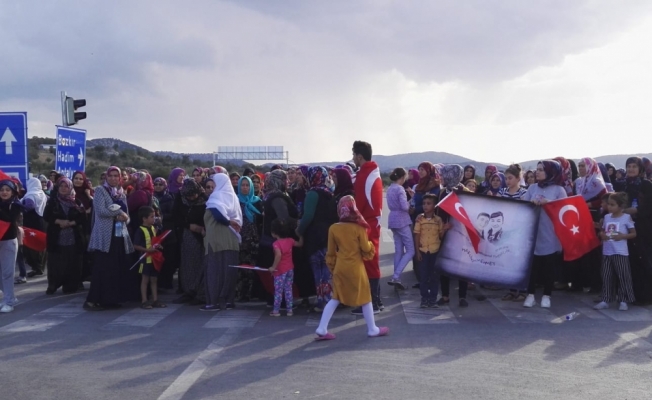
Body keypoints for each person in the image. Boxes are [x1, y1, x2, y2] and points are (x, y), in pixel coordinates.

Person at [314, 195, 389, 340]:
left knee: (336, 297)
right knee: (365, 297)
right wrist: (371, 246)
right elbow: (366, 249)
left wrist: (333, 267)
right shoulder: (359, 227)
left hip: (340, 266)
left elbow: (330, 252)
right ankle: (372, 328)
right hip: (356, 267)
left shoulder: (334, 228)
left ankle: (322, 328)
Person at [85, 166, 137, 311]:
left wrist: (124, 218)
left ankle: (111, 299)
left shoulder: (121, 193)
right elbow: (101, 211)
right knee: (102, 268)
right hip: (105, 235)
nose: (113, 178)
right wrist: (118, 214)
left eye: (116, 176)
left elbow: (127, 216)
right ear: (106, 177)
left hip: (119, 235)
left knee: (115, 268)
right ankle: (93, 300)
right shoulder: (101, 191)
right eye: (111, 176)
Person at [522, 160, 567, 308]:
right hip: (535, 231)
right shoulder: (532, 187)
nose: (537, 172)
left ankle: (547, 295)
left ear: (551, 172)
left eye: (541, 169)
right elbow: (523, 205)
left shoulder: (559, 190)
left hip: (550, 233)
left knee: (549, 266)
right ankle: (530, 295)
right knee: (533, 266)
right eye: (537, 169)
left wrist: (550, 203)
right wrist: (531, 202)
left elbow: (565, 210)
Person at [351, 141, 384, 314]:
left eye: (354, 155)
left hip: (366, 224)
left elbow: (359, 204)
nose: (353, 159)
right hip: (373, 222)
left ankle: (372, 304)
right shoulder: (372, 172)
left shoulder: (363, 175)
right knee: (372, 261)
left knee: (368, 262)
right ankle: (375, 301)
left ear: (359, 156)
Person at [202, 173, 242, 311]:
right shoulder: (233, 197)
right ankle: (228, 301)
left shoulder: (216, 196)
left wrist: (228, 221)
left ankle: (213, 303)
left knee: (214, 271)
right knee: (229, 271)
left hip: (217, 240)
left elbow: (218, 215)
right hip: (232, 239)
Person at [296, 166, 333, 312]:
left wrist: (299, 231)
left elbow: (308, 216)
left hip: (315, 237)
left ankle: (320, 302)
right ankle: (328, 300)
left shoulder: (312, 193)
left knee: (317, 271)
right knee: (327, 270)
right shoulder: (329, 192)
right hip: (328, 236)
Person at [436, 164, 471, 306]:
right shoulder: (443, 192)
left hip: (462, 234)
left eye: (443, 175)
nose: (441, 178)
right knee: (445, 264)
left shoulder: (465, 192)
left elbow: (471, 213)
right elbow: (439, 212)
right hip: (447, 233)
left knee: (462, 265)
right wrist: (442, 227)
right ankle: (445, 295)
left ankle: (462, 296)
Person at [43, 177, 86, 295]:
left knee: (72, 263)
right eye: (61, 186)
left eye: (66, 186)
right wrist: (59, 221)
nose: (63, 188)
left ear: (70, 187)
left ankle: (70, 286)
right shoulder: (53, 201)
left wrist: (71, 223)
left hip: (73, 237)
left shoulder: (76, 202)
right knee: (56, 263)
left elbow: (83, 218)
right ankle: (53, 285)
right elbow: (46, 216)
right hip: (56, 237)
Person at [594, 192, 636, 311]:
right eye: (608, 204)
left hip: (620, 252)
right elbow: (602, 231)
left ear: (620, 206)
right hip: (607, 251)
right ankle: (606, 299)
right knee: (606, 275)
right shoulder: (607, 217)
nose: (609, 207)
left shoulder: (626, 218)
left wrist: (622, 236)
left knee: (623, 276)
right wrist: (602, 234)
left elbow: (633, 233)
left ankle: (623, 300)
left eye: (612, 205)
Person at [622, 157, 652, 305]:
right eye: (629, 166)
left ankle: (646, 296)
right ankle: (632, 294)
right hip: (627, 228)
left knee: (644, 261)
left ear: (640, 169)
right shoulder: (624, 185)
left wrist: (632, 210)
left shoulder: (646, 185)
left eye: (634, 166)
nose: (631, 169)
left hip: (644, 229)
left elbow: (648, 207)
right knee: (631, 261)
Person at [172, 179, 207, 304]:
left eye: (194, 195)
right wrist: (188, 225)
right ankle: (188, 291)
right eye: (189, 196)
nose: (192, 198)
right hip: (186, 235)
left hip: (201, 236)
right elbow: (176, 217)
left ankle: (200, 293)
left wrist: (200, 228)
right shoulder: (180, 198)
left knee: (200, 264)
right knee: (187, 265)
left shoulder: (204, 199)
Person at [498, 164, 528, 301]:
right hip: (505, 231)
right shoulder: (502, 192)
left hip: (519, 232)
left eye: (510, 178)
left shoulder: (523, 193)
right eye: (506, 178)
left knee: (519, 261)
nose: (507, 181)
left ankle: (522, 290)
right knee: (507, 260)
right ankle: (511, 289)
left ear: (518, 178)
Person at [409, 161, 441, 288]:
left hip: (429, 222)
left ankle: (428, 279)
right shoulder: (419, 186)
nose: (421, 171)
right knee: (417, 247)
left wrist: (416, 209)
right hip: (416, 220)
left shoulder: (434, 185)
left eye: (423, 169)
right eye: (419, 169)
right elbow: (416, 200)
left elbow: (432, 204)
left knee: (428, 250)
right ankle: (421, 279)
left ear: (429, 171)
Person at [414, 194, 449, 308]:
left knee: (434, 277)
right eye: (424, 203)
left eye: (428, 203)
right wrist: (417, 252)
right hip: (423, 251)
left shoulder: (438, 220)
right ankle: (424, 299)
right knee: (423, 277)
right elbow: (417, 235)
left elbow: (440, 235)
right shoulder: (420, 219)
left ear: (434, 206)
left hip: (435, 251)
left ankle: (433, 299)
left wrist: (444, 229)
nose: (425, 206)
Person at [132, 206, 167, 309]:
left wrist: (158, 245)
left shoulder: (153, 228)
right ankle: (144, 300)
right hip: (145, 259)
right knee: (145, 279)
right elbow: (136, 245)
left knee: (154, 279)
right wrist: (148, 250)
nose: (154, 218)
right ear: (144, 218)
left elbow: (154, 241)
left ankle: (155, 300)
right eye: (152, 217)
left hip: (154, 259)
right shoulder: (140, 230)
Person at [235, 176, 263, 301]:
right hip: (240, 239)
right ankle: (241, 293)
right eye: (243, 185)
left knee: (253, 267)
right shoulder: (235, 201)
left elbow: (261, 221)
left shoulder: (258, 201)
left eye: (247, 185)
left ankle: (253, 292)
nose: (245, 187)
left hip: (254, 240)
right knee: (241, 266)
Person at [269, 219, 304, 316]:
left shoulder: (276, 244)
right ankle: (290, 310)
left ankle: (276, 310)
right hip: (290, 269)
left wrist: (273, 267)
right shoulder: (290, 241)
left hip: (279, 270)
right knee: (288, 289)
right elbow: (300, 244)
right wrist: (301, 234)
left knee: (278, 291)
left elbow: (278, 256)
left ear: (274, 233)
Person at [386, 168, 414, 290]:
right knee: (410, 250)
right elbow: (404, 206)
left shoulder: (390, 188)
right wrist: (412, 200)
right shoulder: (400, 189)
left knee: (398, 250)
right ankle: (396, 276)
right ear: (402, 177)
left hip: (392, 219)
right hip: (402, 220)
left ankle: (396, 277)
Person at [0, 178, 22, 313]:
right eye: (1, 190)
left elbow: (9, 219)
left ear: (13, 192)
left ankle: (8, 301)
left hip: (8, 241)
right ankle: (11, 297)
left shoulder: (16, 205)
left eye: (7, 190)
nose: (4, 192)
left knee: (7, 273)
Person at [153, 177, 178, 290]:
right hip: (156, 232)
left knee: (168, 258)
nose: (158, 186)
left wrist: (161, 217)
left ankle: (167, 282)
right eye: (156, 184)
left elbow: (173, 214)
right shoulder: (152, 197)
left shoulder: (168, 198)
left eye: (160, 184)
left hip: (167, 232)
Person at [21, 177, 47, 278]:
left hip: (32, 222)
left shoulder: (31, 195)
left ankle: (36, 267)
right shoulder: (42, 193)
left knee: (32, 245)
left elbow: (29, 206)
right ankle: (40, 267)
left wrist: (19, 207)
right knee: (40, 244)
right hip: (42, 221)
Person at [73, 171, 94, 283]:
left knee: (86, 253)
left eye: (81, 179)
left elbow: (96, 207)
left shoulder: (88, 193)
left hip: (86, 228)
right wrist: (85, 211)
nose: (78, 181)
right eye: (76, 178)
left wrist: (88, 195)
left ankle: (86, 275)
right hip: (73, 228)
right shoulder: (68, 192)